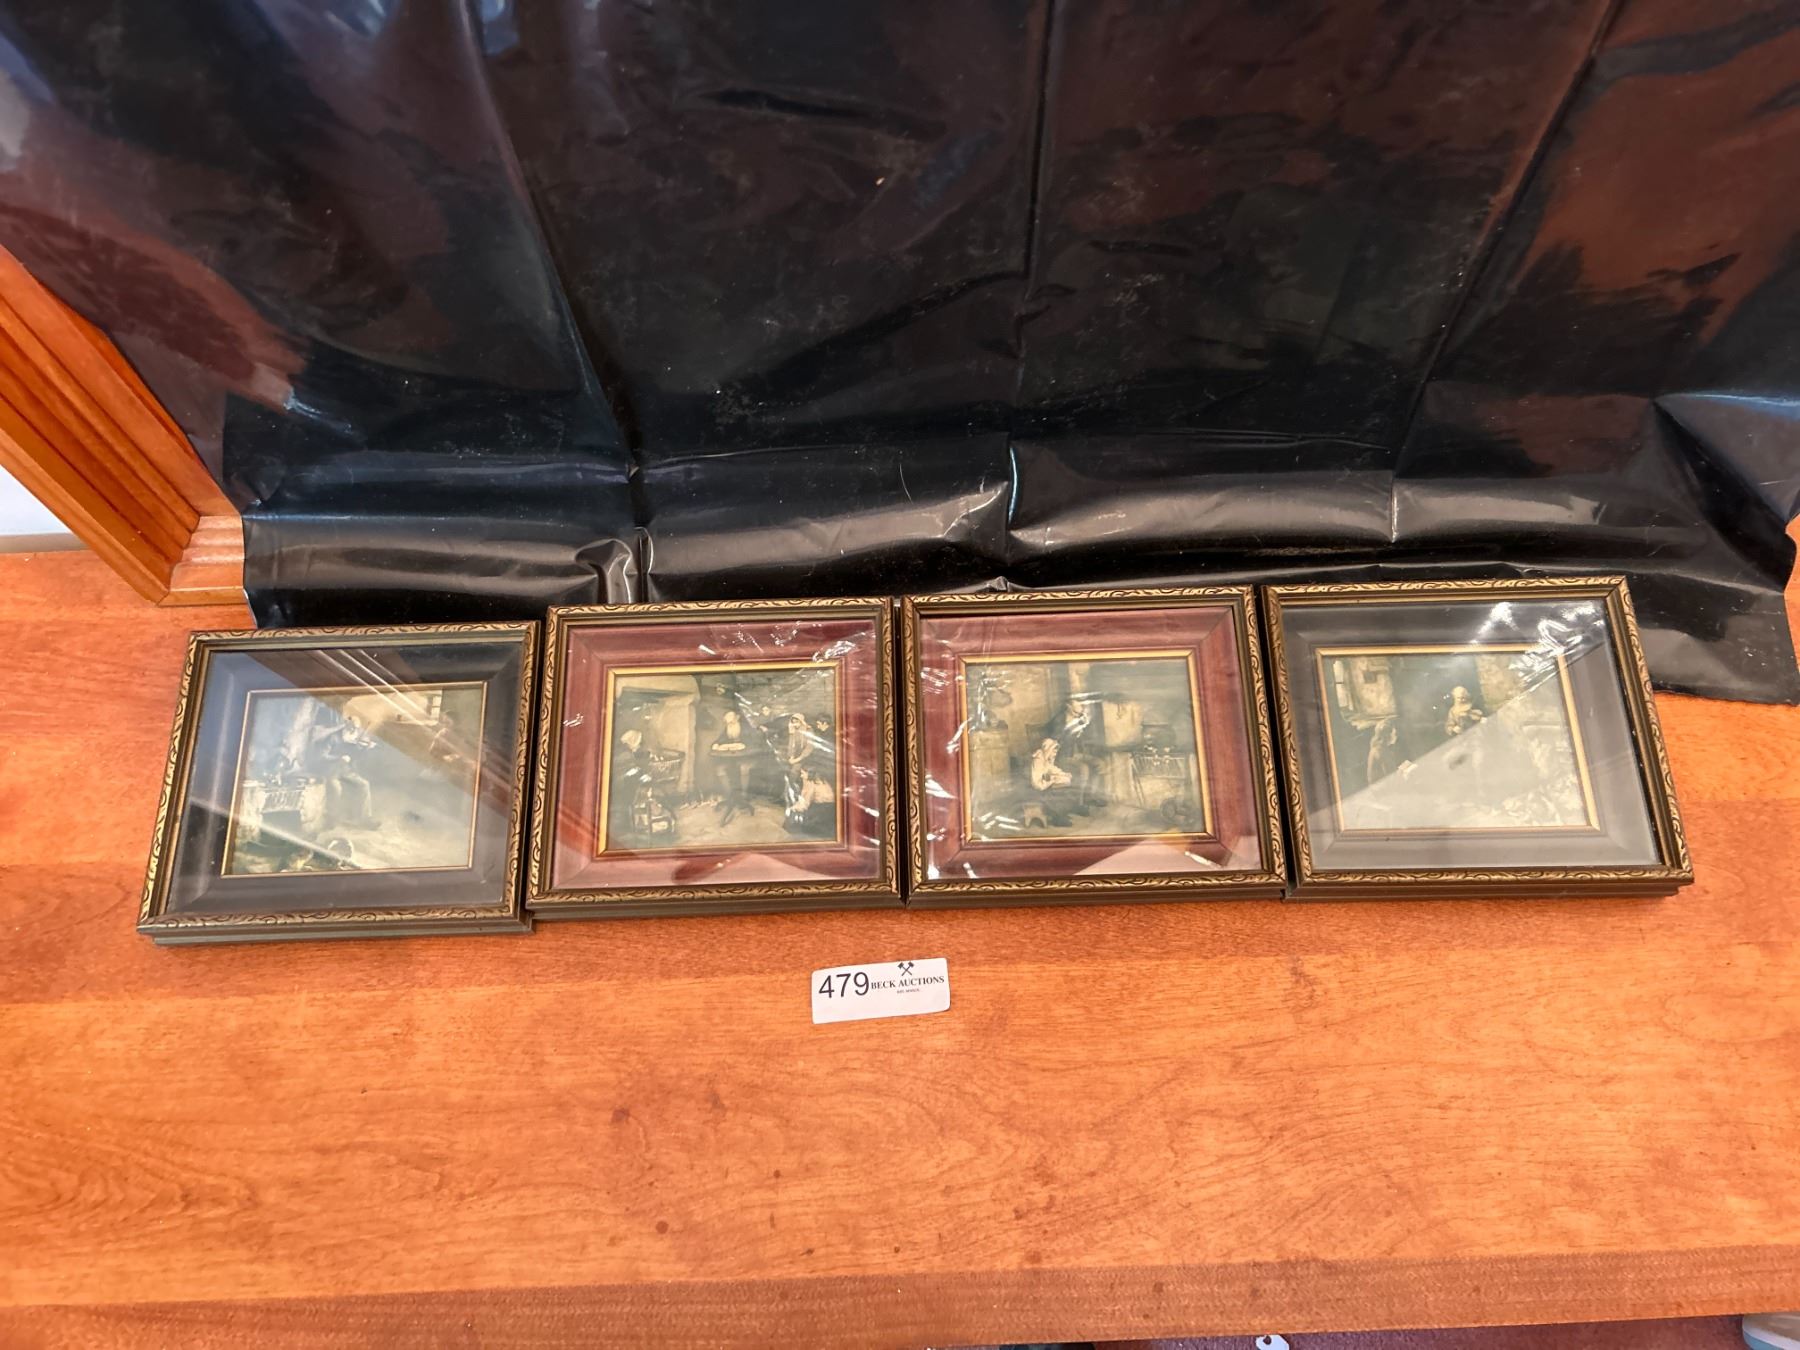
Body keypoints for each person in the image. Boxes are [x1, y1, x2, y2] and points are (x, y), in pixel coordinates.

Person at [711, 710, 754, 825]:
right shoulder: (727, 729)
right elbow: (720, 739)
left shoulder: (746, 728)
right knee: (720, 770)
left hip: (747, 757)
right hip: (732, 759)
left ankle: (743, 796)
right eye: (728, 723)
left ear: (737, 718)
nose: (730, 725)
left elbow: (754, 743)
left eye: (732, 722)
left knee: (744, 768)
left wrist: (745, 746)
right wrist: (716, 744)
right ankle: (730, 796)